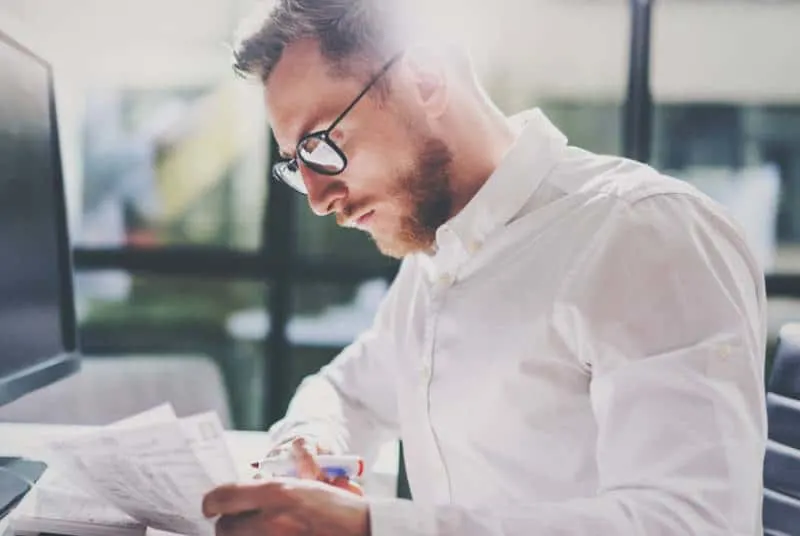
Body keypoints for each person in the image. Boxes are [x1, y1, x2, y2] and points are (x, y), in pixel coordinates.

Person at [201, 0, 768, 534]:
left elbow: (694, 523)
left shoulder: (644, 234)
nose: (318, 197)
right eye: (296, 165)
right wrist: (309, 441)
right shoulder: (437, 250)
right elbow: (348, 390)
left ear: (424, 79)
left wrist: (374, 527)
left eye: (323, 142)